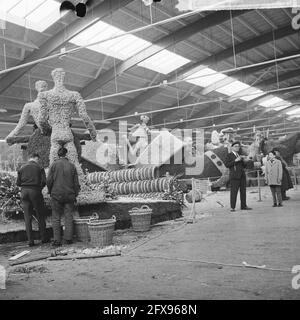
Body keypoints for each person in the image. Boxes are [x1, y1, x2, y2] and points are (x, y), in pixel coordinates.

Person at [46, 147, 80, 247]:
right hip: (69, 195)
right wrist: (75, 194)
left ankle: (57, 240)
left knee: (56, 217)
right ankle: (68, 238)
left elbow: (49, 181)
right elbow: (76, 183)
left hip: (56, 194)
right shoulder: (72, 166)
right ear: (66, 155)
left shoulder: (53, 165)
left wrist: (50, 190)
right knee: (68, 216)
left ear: (58, 155)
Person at [16, 152, 48, 246]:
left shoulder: (21, 168)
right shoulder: (39, 168)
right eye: (38, 159)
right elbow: (44, 181)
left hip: (24, 192)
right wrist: (39, 188)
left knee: (27, 217)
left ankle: (30, 241)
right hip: (35, 191)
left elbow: (18, 183)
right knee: (40, 215)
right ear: (35, 158)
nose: (38, 161)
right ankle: (43, 238)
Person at [224, 141, 253, 212]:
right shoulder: (229, 155)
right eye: (235, 146)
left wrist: (248, 161)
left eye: (238, 146)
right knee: (234, 192)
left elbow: (243, 166)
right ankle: (232, 207)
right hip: (234, 177)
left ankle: (243, 206)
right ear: (232, 147)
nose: (237, 148)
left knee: (243, 191)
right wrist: (235, 160)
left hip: (242, 176)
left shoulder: (239, 155)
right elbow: (227, 165)